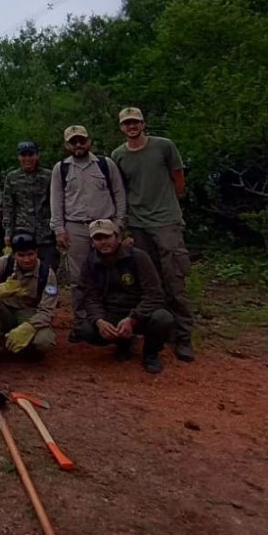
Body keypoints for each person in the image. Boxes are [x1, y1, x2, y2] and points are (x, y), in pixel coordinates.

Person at [111, 107, 195, 362]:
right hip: (137, 223)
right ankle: (154, 331)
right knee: (147, 280)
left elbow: (178, 176)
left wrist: (173, 203)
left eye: (135, 122)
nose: (131, 126)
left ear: (143, 123)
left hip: (166, 221)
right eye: (127, 123)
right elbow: (121, 190)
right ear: (121, 127)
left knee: (174, 279)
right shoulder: (118, 155)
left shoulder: (163, 146)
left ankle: (183, 337)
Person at [49, 124, 126, 329]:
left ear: (89, 141)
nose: (78, 145)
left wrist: (118, 224)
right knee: (79, 278)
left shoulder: (105, 164)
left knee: (112, 274)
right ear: (67, 145)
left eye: (81, 140)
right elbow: (56, 201)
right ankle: (82, 322)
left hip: (105, 226)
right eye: (73, 142)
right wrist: (59, 229)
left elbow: (119, 194)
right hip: (76, 227)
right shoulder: (61, 168)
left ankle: (112, 318)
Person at [73, 219, 174, 374]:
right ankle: (122, 343)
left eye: (107, 237)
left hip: (139, 313)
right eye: (98, 239)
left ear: (118, 237)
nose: (103, 242)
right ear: (93, 242)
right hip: (111, 313)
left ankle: (151, 353)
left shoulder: (138, 257)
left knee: (163, 318)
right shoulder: (90, 262)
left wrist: (133, 318)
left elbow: (154, 294)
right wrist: (99, 320)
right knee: (87, 330)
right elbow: (89, 296)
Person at [0, 233, 58, 371]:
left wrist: (30, 327)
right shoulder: (4, 263)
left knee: (44, 341)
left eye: (30, 254)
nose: (27, 259)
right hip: (4, 311)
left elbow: (47, 310)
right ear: (14, 255)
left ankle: (25, 351)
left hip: (28, 314)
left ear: (36, 253)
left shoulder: (46, 273)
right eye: (21, 255)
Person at [2, 141, 57, 268]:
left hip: (46, 233)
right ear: (19, 157)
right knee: (23, 270)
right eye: (23, 155)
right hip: (22, 232)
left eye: (31, 155)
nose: (27, 159)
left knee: (48, 269)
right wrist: (8, 233)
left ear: (37, 156)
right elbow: (8, 207)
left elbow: (56, 204)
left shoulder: (49, 176)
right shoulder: (12, 177)